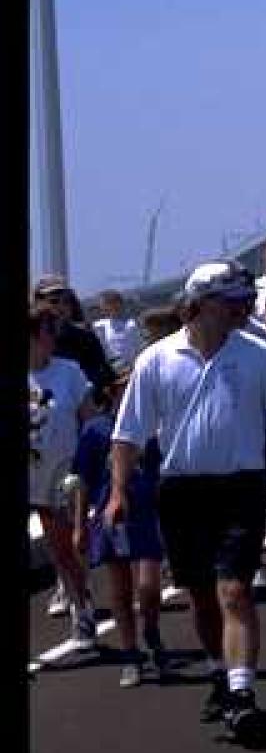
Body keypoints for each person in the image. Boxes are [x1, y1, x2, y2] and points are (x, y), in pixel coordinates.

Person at [110, 259, 266, 746]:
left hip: (240, 486)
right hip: (182, 490)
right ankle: (218, 672)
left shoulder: (259, 355)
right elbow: (129, 435)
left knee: (235, 591)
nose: (245, 310)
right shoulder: (157, 360)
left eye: (246, 302)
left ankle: (242, 696)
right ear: (204, 304)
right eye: (234, 302)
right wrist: (119, 490)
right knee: (202, 595)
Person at [73, 365, 168, 686]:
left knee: (149, 588)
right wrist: (79, 524)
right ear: (111, 392)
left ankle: (152, 631)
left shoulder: (153, 427)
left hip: (147, 514)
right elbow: (84, 481)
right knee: (121, 589)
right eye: (124, 386)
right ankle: (131, 655)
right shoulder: (96, 430)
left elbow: (164, 472)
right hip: (111, 515)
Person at [30, 305, 100, 644]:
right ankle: (79, 601)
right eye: (46, 333)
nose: (52, 339)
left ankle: (82, 612)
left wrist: (94, 462)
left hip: (67, 474)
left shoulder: (68, 372)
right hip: (33, 476)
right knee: (58, 550)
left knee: (70, 545)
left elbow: (90, 419)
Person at [33, 275, 115, 405]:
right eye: (54, 301)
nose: (61, 306)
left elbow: (104, 374)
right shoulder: (33, 340)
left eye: (66, 301)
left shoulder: (85, 335)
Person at [91, 289, 144, 372]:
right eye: (105, 305)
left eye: (112, 303)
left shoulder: (131, 325)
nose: (110, 308)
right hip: (114, 369)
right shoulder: (100, 326)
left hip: (133, 367)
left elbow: (139, 348)